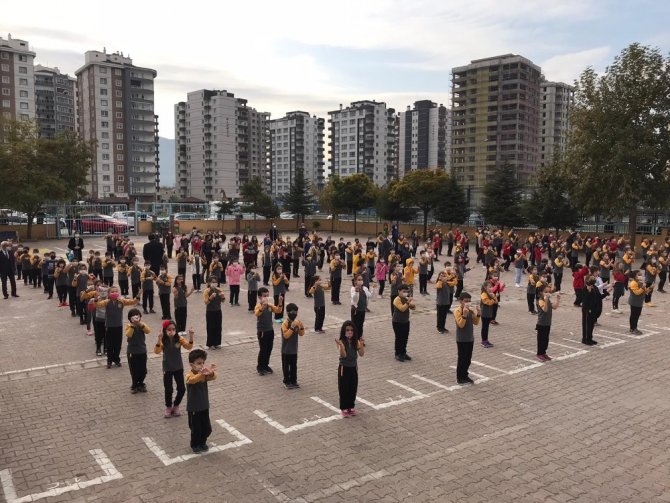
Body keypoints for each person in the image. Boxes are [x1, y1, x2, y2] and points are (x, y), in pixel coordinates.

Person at [155, 320, 194, 418]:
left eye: (173, 329)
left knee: (181, 389)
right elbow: (157, 351)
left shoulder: (179, 338)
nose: (171, 331)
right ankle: (168, 407)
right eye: (169, 329)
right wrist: (159, 339)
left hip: (178, 367)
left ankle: (176, 405)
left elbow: (188, 347)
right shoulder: (164, 340)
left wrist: (191, 336)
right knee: (168, 389)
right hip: (167, 368)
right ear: (165, 330)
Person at [96, 286, 140, 368]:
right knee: (109, 345)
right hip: (109, 326)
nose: (114, 293)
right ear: (109, 294)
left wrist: (138, 294)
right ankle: (109, 361)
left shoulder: (121, 301)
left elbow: (133, 301)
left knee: (118, 345)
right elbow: (98, 305)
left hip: (118, 326)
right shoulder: (106, 302)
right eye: (112, 292)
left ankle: (116, 359)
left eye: (116, 291)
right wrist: (95, 298)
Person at [186, 349, 218, 453]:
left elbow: (214, 377)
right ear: (192, 364)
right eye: (199, 363)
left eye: (203, 362)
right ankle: (195, 444)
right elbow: (192, 380)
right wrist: (202, 374)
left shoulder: (203, 374)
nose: (202, 365)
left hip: (204, 405)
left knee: (207, 428)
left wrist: (211, 372)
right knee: (196, 428)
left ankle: (203, 442)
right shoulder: (189, 375)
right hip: (194, 407)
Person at [336, 321, 365, 417]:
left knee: (353, 387)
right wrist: (342, 347)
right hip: (344, 368)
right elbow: (343, 355)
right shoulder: (341, 342)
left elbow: (361, 354)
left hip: (353, 367)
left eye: (351, 330)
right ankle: (344, 408)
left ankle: (351, 406)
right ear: (344, 331)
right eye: (347, 330)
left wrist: (361, 345)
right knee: (344, 388)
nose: (350, 332)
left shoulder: (355, 341)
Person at [254, 286, 283, 376]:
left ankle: (266, 365)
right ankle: (260, 367)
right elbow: (257, 313)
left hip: (270, 330)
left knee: (269, 348)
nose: (266, 298)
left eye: (267, 296)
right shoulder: (258, 306)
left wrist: (280, 302)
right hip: (262, 331)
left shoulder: (270, 306)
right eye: (264, 296)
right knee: (263, 349)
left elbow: (278, 310)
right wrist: (263, 307)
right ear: (259, 297)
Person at [454, 292, 480, 385]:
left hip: (470, 338)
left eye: (469, 301)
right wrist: (464, 315)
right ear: (461, 301)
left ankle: (465, 375)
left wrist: (478, 314)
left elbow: (476, 322)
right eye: (466, 301)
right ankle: (459, 377)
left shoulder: (470, 310)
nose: (468, 303)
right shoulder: (458, 311)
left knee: (468, 359)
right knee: (462, 359)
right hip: (461, 339)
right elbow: (461, 325)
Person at [125, 308, 151, 394]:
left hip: (142, 351)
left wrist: (140, 324)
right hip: (132, 352)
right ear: (130, 319)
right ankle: (134, 384)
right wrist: (133, 326)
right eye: (134, 317)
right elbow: (128, 334)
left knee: (143, 369)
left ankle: (141, 383)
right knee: (134, 369)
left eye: (138, 316)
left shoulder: (142, 325)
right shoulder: (129, 326)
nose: (136, 318)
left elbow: (148, 331)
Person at [281, 303, 305, 389]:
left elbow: (301, 334)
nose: (294, 314)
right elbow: (286, 335)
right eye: (292, 312)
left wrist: (301, 327)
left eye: (296, 312)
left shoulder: (297, 323)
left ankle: (294, 380)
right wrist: (292, 327)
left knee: (294, 366)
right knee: (286, 366)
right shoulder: (285, 323)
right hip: (286, 350)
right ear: (288, 313)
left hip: (294, 349)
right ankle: (286, 381)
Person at [536, 282, 560, 361]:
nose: (547, 293)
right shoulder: (540, 300)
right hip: (541, 323)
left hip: (547, 323)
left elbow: (554, 307)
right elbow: (545, 310)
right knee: (541, 339)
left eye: (548, 292)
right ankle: (540, 353)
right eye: (545, 292)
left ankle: (544, 352)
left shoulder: (548, 300)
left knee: (546, 339)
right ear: (541, 293)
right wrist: (546, 300)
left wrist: (558, 299)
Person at [203, 276, 225, 349]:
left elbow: (223, 301)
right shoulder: (207, 291)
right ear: (209, 283)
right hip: (210, 311)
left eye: (215, 282)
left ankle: (217, 343)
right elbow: (206, 302)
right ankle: (210, 344)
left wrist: (222, 297)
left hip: (218, 311)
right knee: (210, 327)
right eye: (212, 282)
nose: (214, 283)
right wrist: (210, 298)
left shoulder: (219, 289)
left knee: (218, 327)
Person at [435, 264, 457, 334]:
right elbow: (438, 286)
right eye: (441, 276)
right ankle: (439, 328)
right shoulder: (439, 283)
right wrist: (440, 279)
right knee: (440, 316)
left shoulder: (448, 283)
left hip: (446, 302)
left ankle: (443, 327)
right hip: (440, 303)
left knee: (444, 316)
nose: (443, 277)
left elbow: (454, 282)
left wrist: (454, 275)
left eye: (444, 276)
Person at [628, 270, 649, 335]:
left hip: (639, 302)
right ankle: (633, 328)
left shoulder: (640, 282)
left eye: (641, 275)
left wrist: (650, 288)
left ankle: (634, 328)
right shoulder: (633, 283)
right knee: (634, 315)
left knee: (637, 315)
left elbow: (645, 292)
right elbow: (637, 293)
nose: (640, 276)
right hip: (634, 302)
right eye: (638, 275)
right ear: (634, 276)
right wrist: (642, 288)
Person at [350, 275, 372, 339]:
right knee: (355, 325)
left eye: (361, 279)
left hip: (362, 310)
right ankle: (355, 340)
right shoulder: (353, 289)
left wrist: (373, 289)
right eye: (359, 280)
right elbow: (354, 299)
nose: (360, 281)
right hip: (356, 310)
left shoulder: (365, 288)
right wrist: (356, 292)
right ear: (355, 281)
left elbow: (370, 296)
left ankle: (360, 338)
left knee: (361, 325)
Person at [479, 282, 498, 348]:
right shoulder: (483, 294)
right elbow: (487, 302)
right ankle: (483, 341)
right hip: (484, 313)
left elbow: (496, 302)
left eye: (491, 287)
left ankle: (486, 340)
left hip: (489, 313)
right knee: (484, 327)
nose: (491, 288)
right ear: (485, 287)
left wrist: (494, 297)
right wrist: (493, 299)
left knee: (487, 327)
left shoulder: (491, 294)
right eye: (489, 287)